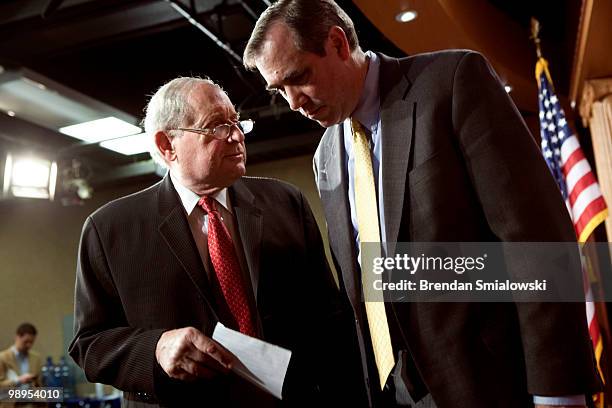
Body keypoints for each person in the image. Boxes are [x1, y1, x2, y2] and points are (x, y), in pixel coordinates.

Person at [243, 1, 601, 407]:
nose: (292, 103)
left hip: (492, 385)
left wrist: (558, 391)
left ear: (338, 43)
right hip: (393, 393)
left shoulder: (452, 82)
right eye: (279, 90)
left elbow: (535, 241)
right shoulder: (325, 155)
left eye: (299, 77)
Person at [69, 77, 363, 407]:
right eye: (217, 126)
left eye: (237, 122)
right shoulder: (111, 228)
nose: (236, 135)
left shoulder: (285, 202)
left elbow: (329, 318)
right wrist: (156, 349)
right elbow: (89, 344)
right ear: (168, 146)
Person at [0, 323, 42, 408]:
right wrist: (18, 380)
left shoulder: (36, 358)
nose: (29, 345)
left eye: (31, 342)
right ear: (17, 337)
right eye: (26, 341)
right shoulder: (2, 358)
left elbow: (39, 384)